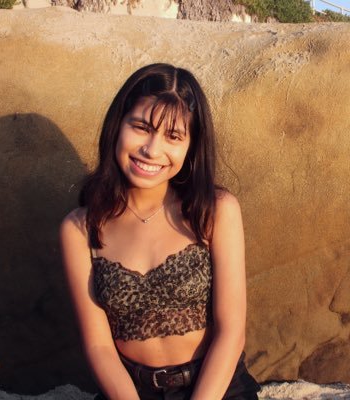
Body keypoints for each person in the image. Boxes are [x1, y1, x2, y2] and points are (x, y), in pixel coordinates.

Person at [60, 63, 260, 400]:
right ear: (117, 126)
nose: (152, 150)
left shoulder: (215, 210)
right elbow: (99, 347)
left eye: (173, 136)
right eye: (141, 127)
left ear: (191, 146)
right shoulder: (80, 228)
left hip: (216, 387)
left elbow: (231, 333)